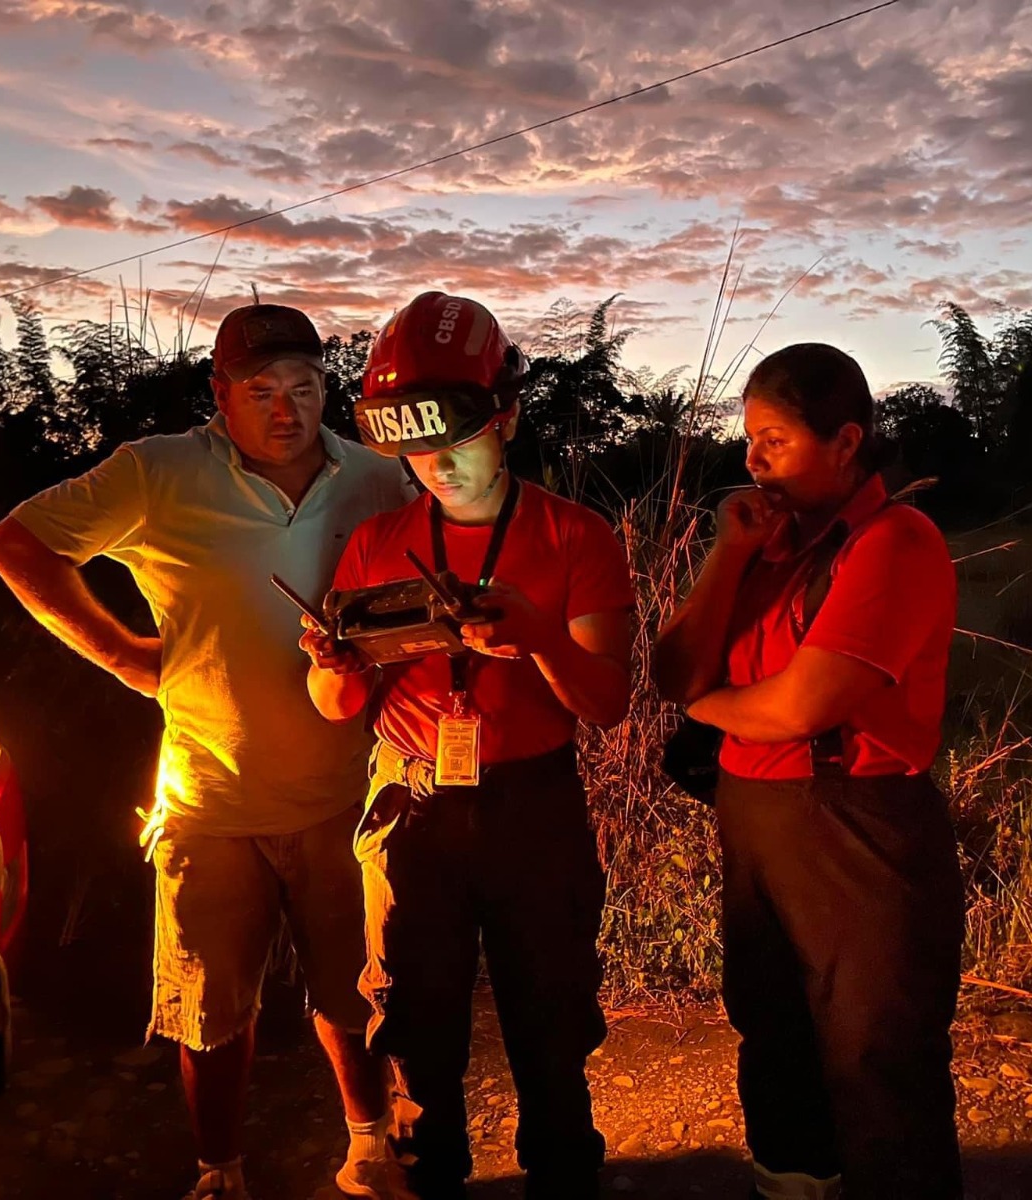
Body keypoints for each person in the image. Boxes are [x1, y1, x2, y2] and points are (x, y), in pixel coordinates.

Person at [0, 303, 419, 1200]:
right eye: (261, 391)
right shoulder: (159, 473)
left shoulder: (376, 480)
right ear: (220, 395)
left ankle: (371, 1144)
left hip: (346, 787)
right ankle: (220, 1172)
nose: (286, 409)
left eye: (304, 387)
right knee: (212, 1014)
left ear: (327, 389)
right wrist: (126, 656)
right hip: (208, 798)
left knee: (356, 993)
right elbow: (17, 544)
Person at [304, 291, 634, 1200]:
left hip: (533, 804)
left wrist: (539, 638)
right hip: (409, 804)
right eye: (414, 446)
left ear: (509, 415)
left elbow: (606, 700)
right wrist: (333, 661)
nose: (437, 464)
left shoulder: (576, 537)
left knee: (551, 1020)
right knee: (414, 1023)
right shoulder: (377, 543)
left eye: (457, 437)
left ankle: (563, 1175)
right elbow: (337, 704)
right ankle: (428, 1174)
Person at [654, 343, 964, 1200]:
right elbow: (669, 670)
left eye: (776, 440)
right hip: (756, 818)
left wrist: (707, 704)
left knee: (875, 1052)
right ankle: (790, 1185)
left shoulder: (894, 543)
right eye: (748, 439)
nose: (751, 461)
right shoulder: (771, 546)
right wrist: (728, 554)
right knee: (774, 1030)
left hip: (858, 827)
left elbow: (799, 708)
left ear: (846, 440)